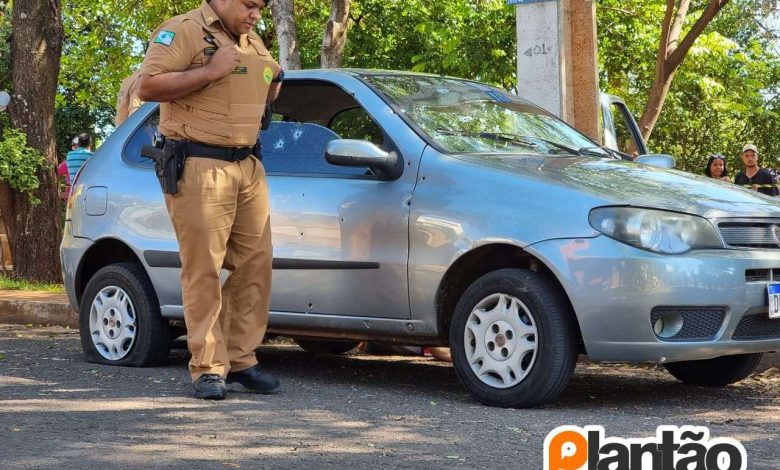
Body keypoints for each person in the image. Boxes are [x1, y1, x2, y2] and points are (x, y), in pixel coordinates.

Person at [137, 0, 283, 400]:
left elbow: (269, 86)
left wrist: (271, 81)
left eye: (262, 8)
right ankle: (207, 366)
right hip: (200, 161)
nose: (256, 13)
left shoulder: (252, 40)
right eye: (250, 5)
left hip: (248, 163)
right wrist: (210, 70)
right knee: (204, 267)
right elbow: (147, 85)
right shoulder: (183, 30)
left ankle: (241, 358)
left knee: (255, 264)